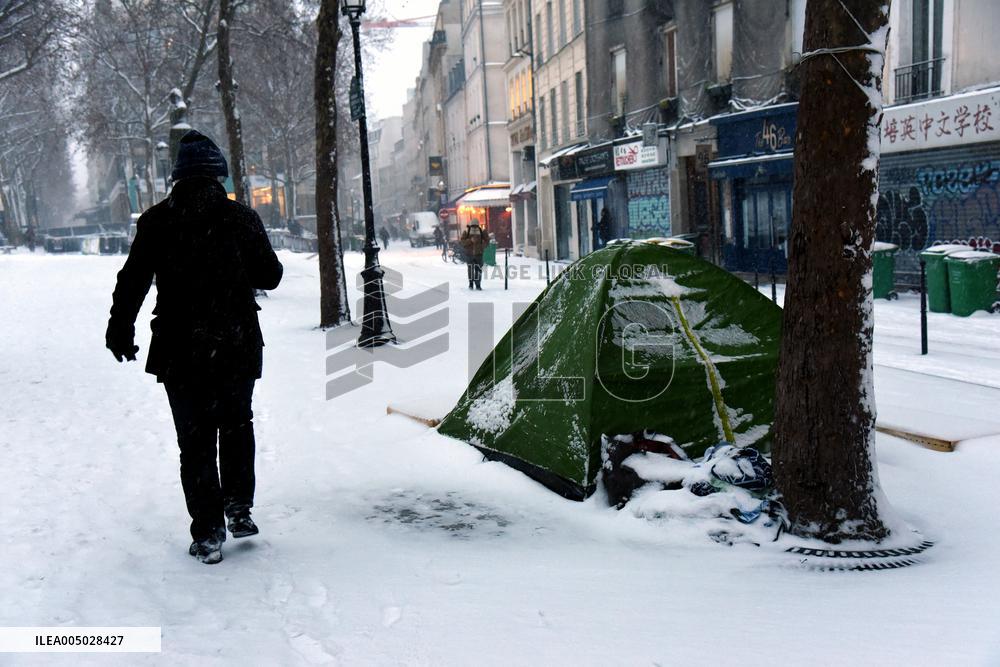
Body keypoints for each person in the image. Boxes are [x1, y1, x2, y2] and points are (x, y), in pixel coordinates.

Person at [105, 130, 283, 565]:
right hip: (236, 343)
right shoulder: (240, 218)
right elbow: (270, 275)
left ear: (177, 177)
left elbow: (132, 282)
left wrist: (120, 330)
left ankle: (207, 532)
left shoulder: (156, 221)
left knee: (195, 440)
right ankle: (239, 506)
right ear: (217, 175)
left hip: (180, 348)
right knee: (238, 424)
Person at [460, 221, 486, 290]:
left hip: (478, 254)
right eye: (473, 226)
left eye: (476, 226)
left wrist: (482, 246)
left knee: (478, 270)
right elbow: (462, 242)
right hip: (470, 254)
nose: (474, 227)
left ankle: (477, 284)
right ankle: (471, 284)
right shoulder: (466, 231)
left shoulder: (481, 231)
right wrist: (470, 241)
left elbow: (487, 240)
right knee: (471, 270)